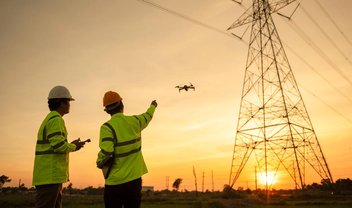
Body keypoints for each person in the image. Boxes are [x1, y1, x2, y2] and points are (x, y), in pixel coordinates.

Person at [96, 91, 157, 208]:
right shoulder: (135, 121)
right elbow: (148, 116)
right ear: (122, 105)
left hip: (114, 183)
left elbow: (107, 152)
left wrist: (99, 162)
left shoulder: (107, 127)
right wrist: (153, 106)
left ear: (107, 110)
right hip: (134, 181)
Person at [32, 85, 86, 208]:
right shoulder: (56, 120)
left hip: (49, 176)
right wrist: (74, 146)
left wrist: (71, 144)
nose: (69, 104)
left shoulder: (50, 119)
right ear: (61, 103)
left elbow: (56, 143)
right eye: (68, 101)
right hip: (50, 176)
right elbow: (58, 146)